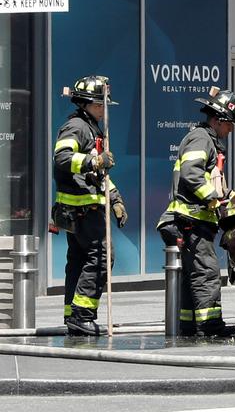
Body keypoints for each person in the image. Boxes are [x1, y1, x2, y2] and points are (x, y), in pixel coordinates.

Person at [156, 87, 235, 337]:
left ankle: (188, 325)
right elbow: (191, 174)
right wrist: (213, 198)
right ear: (218, 120)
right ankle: (210, 326)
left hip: (196, 221)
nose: (231, 131)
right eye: (230, 125)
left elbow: (211, 181)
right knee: (206, 273)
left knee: (192, 277)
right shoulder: (201, 138)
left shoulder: (209, 141)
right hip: (191, 220)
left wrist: (231, 198)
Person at [52, 75, 127, 336]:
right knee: (102, 258)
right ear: (87, 104)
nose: (104, 110)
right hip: (81, 209)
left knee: (80, 260)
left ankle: (74, 315)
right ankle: (82, 315)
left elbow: (99, 177)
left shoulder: (92, 129)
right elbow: (62, 158)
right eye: (101, 105)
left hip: (85, 209)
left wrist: (115, 199)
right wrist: (93, 162)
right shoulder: (77, 127)